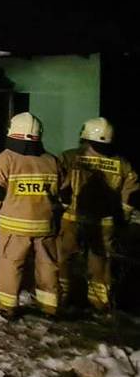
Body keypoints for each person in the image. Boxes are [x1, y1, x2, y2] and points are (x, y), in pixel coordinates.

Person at [0, 112, 63, 319]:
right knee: (47, 265)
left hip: (14, 227)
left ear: (12, 131)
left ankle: (7, 306)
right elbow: (65, 195)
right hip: (45, 225)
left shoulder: (6, 159)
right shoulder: (51, 161)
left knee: (10, 263)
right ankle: (49, 306)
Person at [57, 118, 139, 313]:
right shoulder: (122, 164)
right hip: (105, 224)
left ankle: (62, 296)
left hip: (72, 219)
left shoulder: (70, 157)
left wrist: (60, 205)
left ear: (84, 136)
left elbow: (59, 184)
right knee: (101, 263)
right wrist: (123, 218)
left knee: (64, 258)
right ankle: (100, 303)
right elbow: (131, 193)